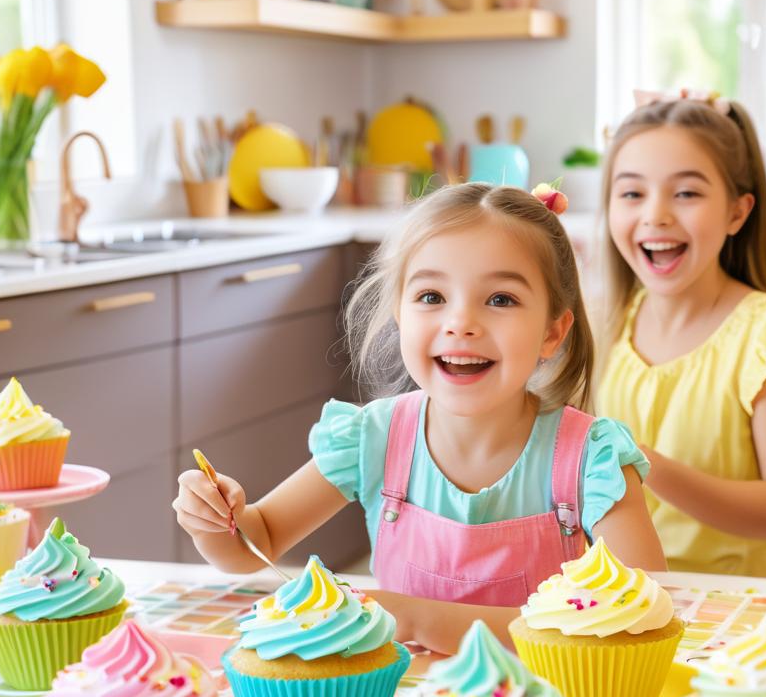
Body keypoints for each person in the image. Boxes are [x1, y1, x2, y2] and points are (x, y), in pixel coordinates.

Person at [173, 183, 664, 654]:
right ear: (400, 314)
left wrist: (419, 618)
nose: (461, 323)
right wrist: (216, 523)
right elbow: (253, 544)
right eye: (432, 297)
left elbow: (640, 612)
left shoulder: (592, 459)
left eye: (501, 300)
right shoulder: (375, 438)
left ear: (552, 333)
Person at [597, 91, 766, 579]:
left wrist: (647, 466)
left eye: (686, 193)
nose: (655, 215)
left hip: (741, 613)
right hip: (619, 603)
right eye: (632, 193)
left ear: (737, 213)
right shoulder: (606, 325)